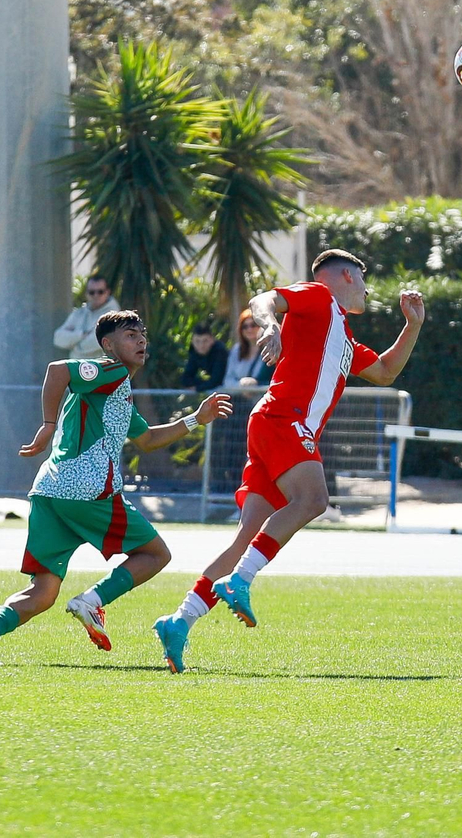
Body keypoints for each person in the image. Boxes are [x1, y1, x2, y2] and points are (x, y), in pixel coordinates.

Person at [154, 249, 425, 673]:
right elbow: (263, 300)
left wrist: (413, 326)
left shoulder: (343, 336)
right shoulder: (319, 296)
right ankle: (240, 581)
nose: (369, 290)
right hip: (283, 418)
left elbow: (386, 372)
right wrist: (271, 325)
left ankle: (179, 621)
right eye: (364, 279)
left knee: (247, 538)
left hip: (274, 425)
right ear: (347, 276)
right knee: (314, 499)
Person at [0, 311, 233, 666]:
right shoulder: (112, 371)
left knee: (43, 592)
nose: (140, 341)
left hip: (49, 492)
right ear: (107, 345)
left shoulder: (114, 391)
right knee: (155, 555)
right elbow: (58, 370)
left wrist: (196, 418)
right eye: (129, 335)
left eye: (142, 335)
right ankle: (91, 601)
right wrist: (47, 424)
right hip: (86, 489)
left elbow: (148, 439)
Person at [52, 274, 119, 359]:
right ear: (86, 293)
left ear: (108, 292)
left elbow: (93, 343)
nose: (96, 295)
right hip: (77, 369)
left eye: (100, 292)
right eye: (92, 292)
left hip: (101, 369)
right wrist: (82, 334)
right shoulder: (79, 313)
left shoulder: (113, 316)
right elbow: (58, 338)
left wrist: (74, 346)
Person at [223, 308, 275, 388]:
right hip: (240, 399)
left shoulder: (270, 349)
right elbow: (228, 380)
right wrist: (242, 386)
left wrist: (255, 385)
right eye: (245, 326)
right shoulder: (236, 350)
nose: (249, 329)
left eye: (253, 325)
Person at [179, 322, 228, 392]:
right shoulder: (194, 351)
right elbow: (185, 378)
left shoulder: (220, 351)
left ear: (212, 340)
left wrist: (197, 388)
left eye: (205, 341)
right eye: (197, 341)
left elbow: (217, 380)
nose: (201, 345)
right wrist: (202, 385)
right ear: (192, 341)